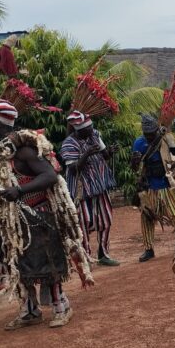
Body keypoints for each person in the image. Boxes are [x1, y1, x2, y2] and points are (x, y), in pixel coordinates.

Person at [0, 99, 94, 330]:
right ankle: (30, 311)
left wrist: (20, 191)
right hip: (16, 220)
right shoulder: (1, 153)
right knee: (19, 264)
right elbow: (8, 184)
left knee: (48, 263)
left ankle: (62, 306)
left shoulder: (23, 150)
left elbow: (50, 176)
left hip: (39, 215)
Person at [61, 110, 120, 267]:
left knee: (106, 220)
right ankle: (85, 257)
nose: (92, 129)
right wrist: (86, 154)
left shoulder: (94, 135)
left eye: (91, 126)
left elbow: (104, 155)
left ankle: (103, 254)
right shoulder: (69, 144)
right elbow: (73, 169)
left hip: (100, 186)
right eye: (88, 128)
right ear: (79, 130)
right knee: (83, 223)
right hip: (82, 191)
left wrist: (110, 151)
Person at [131, 114, 175, 262]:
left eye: (151, 133)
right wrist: (134, 162)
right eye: (146, 134)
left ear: (156, 129)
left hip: (166, 184)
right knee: (146, 217)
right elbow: (134, 168)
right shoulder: (138, 143)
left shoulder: (167, 138)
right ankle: (149, 249)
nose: (149, 136)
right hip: (148, 186)